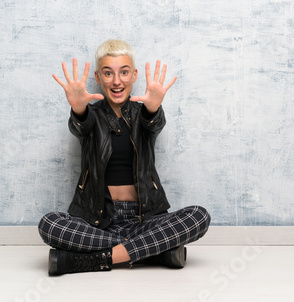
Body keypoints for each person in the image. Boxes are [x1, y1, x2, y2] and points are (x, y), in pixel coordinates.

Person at [38, 39, 211, 276]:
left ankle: (92, 260)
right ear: (98, 78)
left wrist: (153, 109)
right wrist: (78, 109)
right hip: (97, 223)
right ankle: (156, 252)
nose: (116, 81)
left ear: (134, 75)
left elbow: (154, 122)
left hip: (145, 221)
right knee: (50, 224)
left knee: (198, 216)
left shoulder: (144, 112)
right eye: (108, 73)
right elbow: (80, 126)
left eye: (124, 72)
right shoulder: (91, 115)